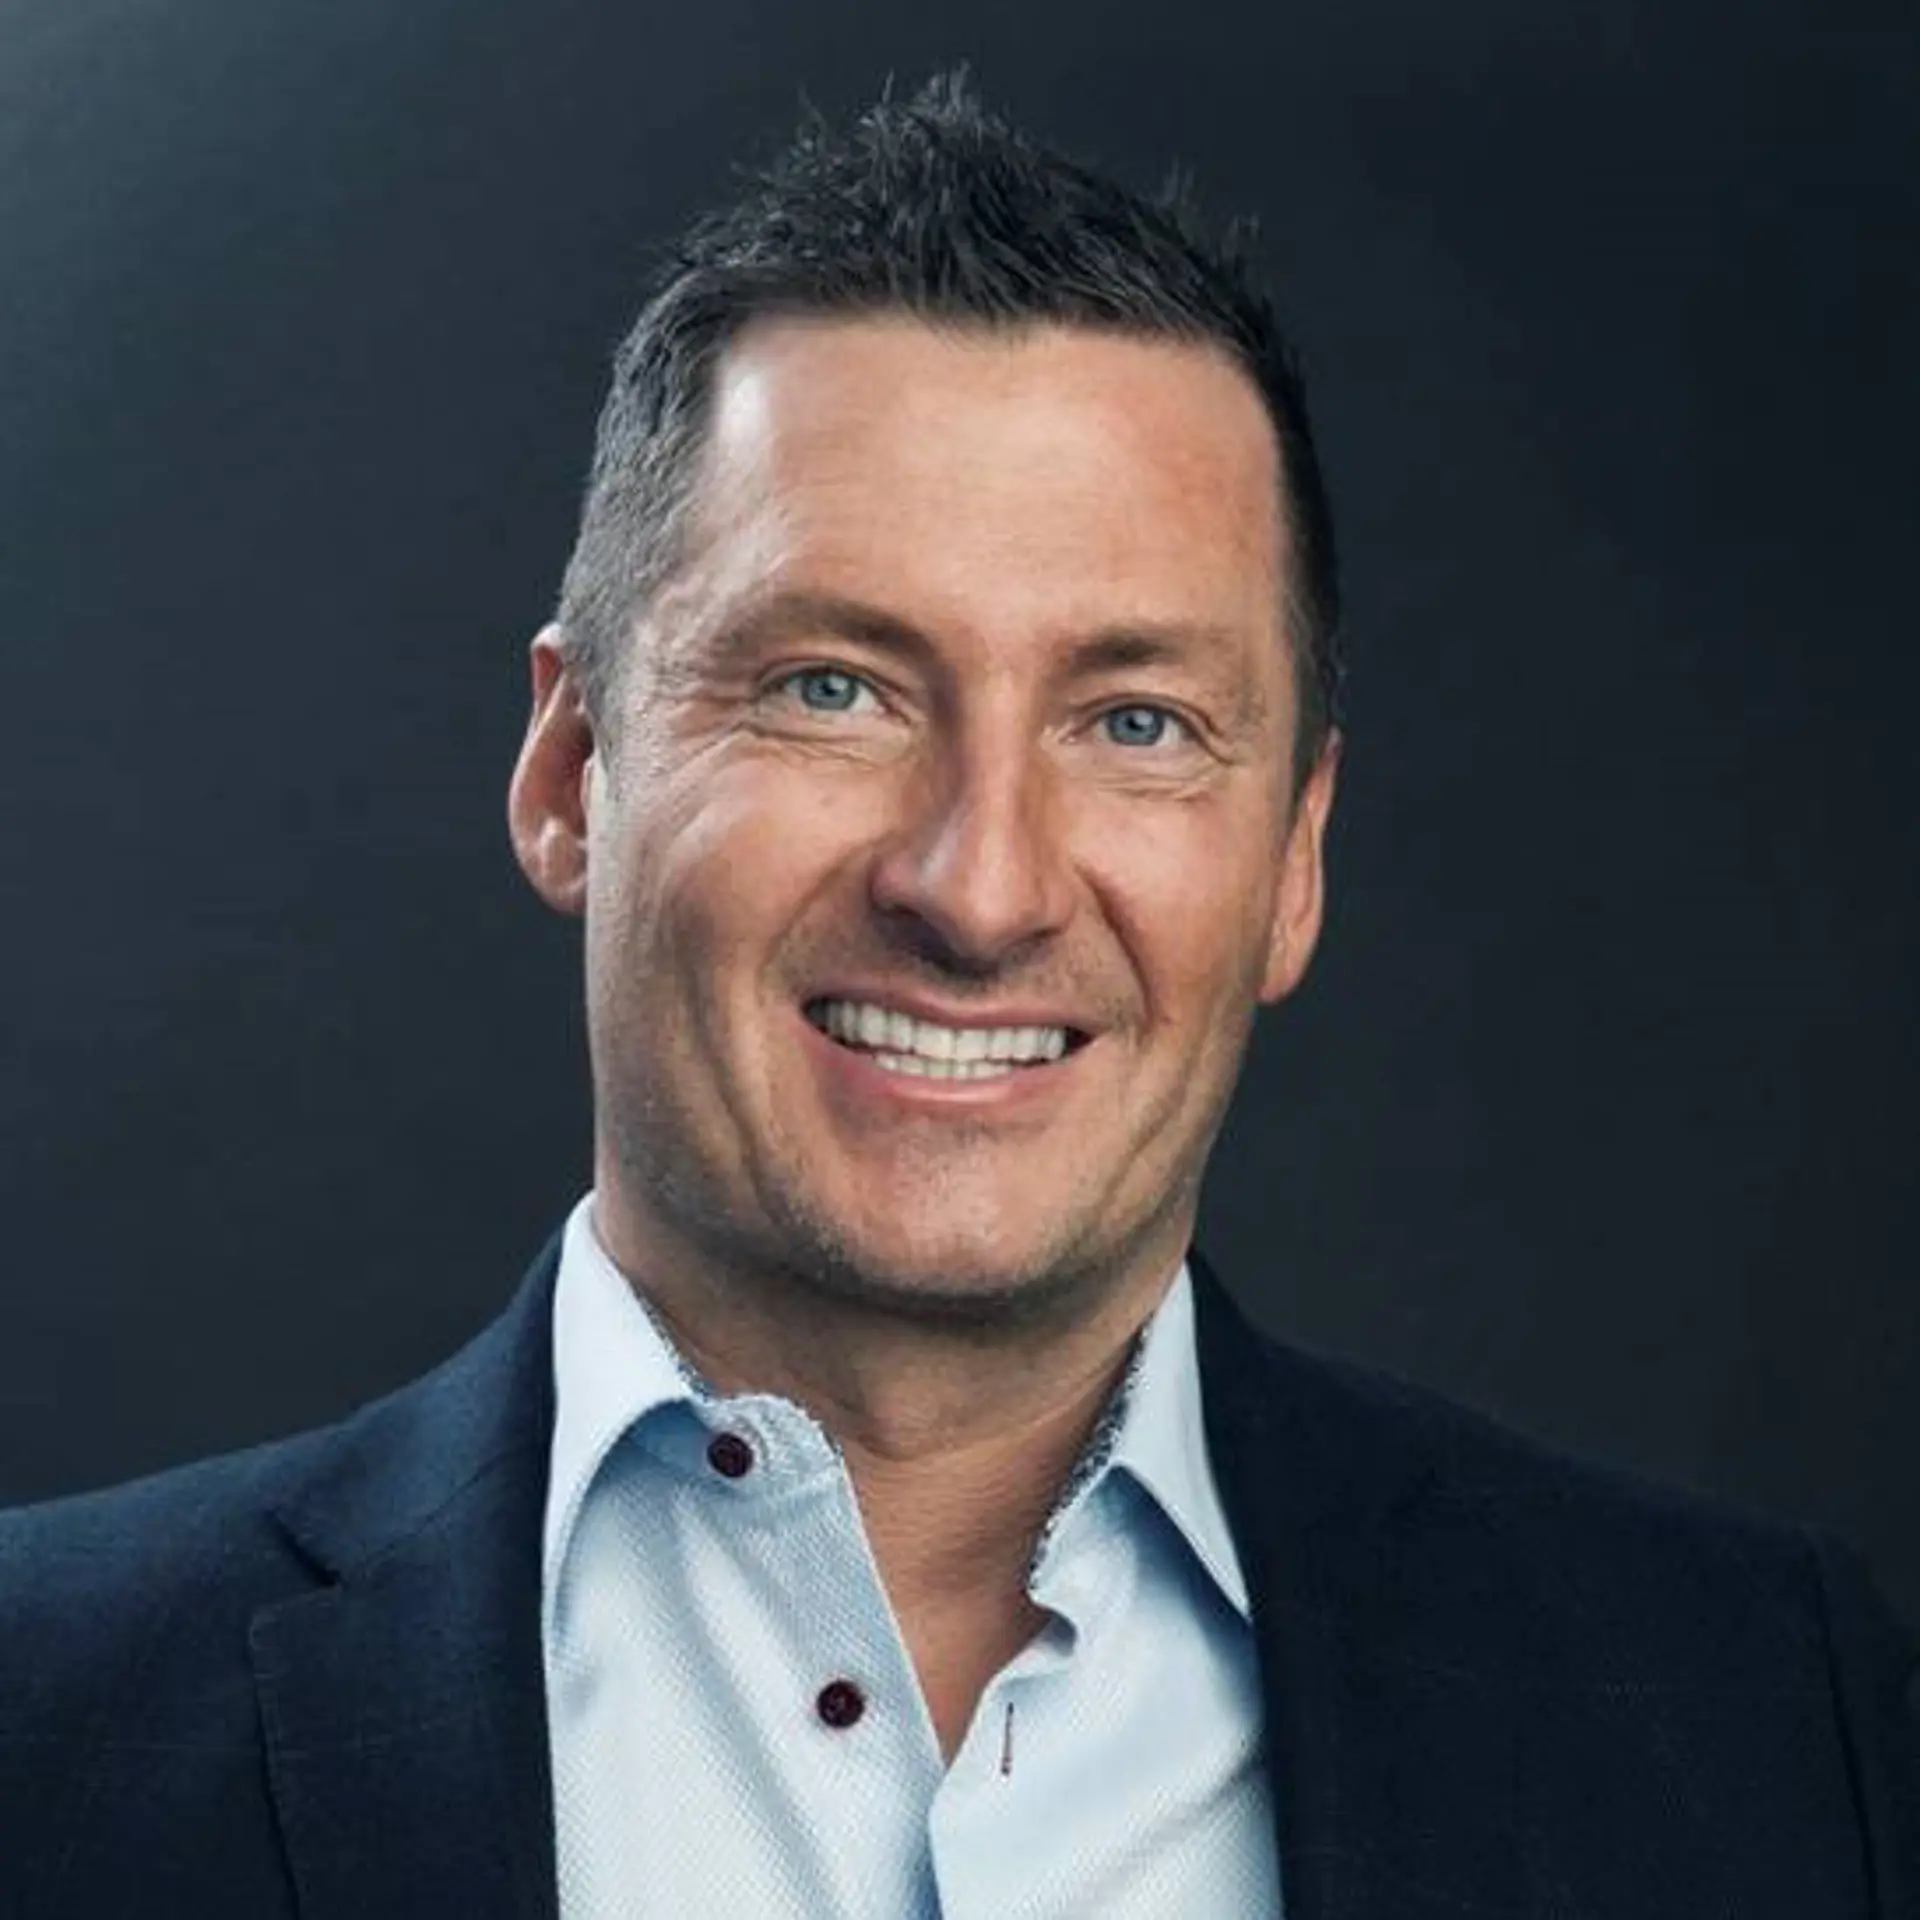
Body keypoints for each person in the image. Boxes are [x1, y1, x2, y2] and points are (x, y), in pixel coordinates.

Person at [1, 72, 1913, 1920]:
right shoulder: (44, 1724)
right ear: (573, 770)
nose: (981, 891)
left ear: (1295, 858)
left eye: (1136, 722)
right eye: (832, 688)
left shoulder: (1765, 1717)